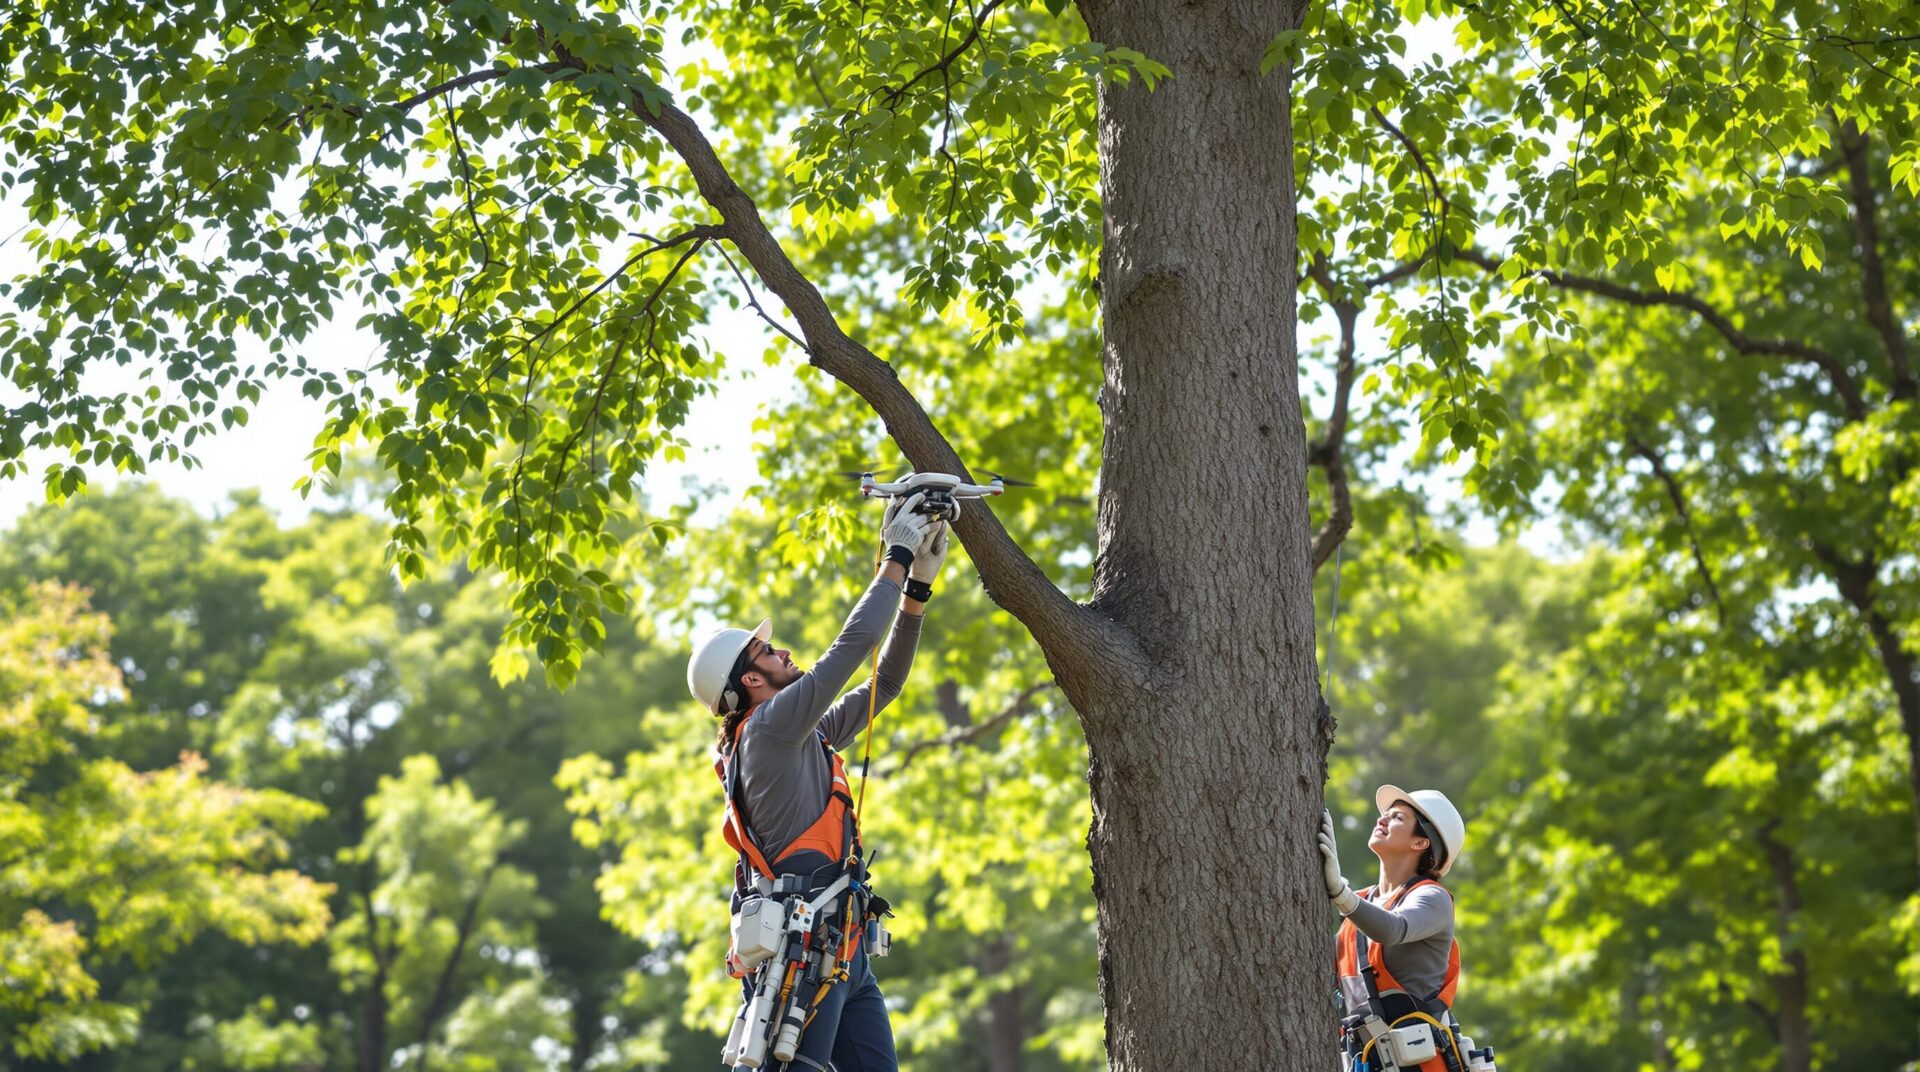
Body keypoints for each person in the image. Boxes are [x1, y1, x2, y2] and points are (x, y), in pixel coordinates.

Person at [687, 492, 950, 1072]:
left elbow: (888, 682)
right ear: (752, 679)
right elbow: (852, 647)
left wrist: (916, 594)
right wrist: (897, 554)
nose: (783, 651)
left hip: (842, 943)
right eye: (767, 652)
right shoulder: (768, 729)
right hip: (808, 951)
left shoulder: (802, 734)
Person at [1318, 786, 1469, 1071]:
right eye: (1385, 815)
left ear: (1420, 843)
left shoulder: (1433, 898)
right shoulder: (1360, 905)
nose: (1382, 820)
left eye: (1397, 818)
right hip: (1365, 1060)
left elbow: (1393, 929)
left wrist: (1340, 893)